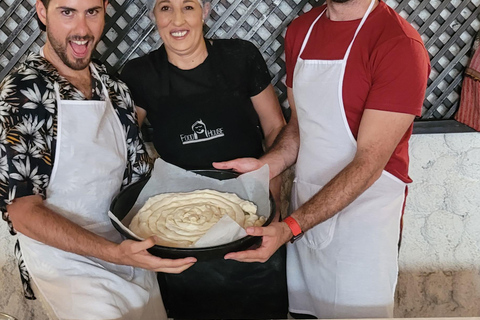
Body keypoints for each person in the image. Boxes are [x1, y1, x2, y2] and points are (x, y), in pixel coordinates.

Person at [214, 0, 431, 318]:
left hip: (364, 225)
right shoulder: (301, 31)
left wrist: (290, 228)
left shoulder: (398, 44)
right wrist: (267, 165)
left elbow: (369, 163)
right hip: (305, 213)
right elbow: (300, 126)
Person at [0, 0, 197, 319]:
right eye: (67, 12)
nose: (81, 30)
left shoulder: (113, 84)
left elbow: (136, 179)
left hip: (129, 252)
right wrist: (113, 253)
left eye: (92, 11)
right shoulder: (24, 91)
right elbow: (22, 210)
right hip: (67, 266)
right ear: (41, 11)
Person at [120, 0, 287, 318]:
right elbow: (124, 145)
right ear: (154, 14)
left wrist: (272, 206)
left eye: (188, 7)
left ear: (205, 11)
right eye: (165, 8)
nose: (177, 19)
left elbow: (274, 127)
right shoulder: (140, 74)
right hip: (176, 230)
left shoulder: (240, 57)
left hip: (249, 220)